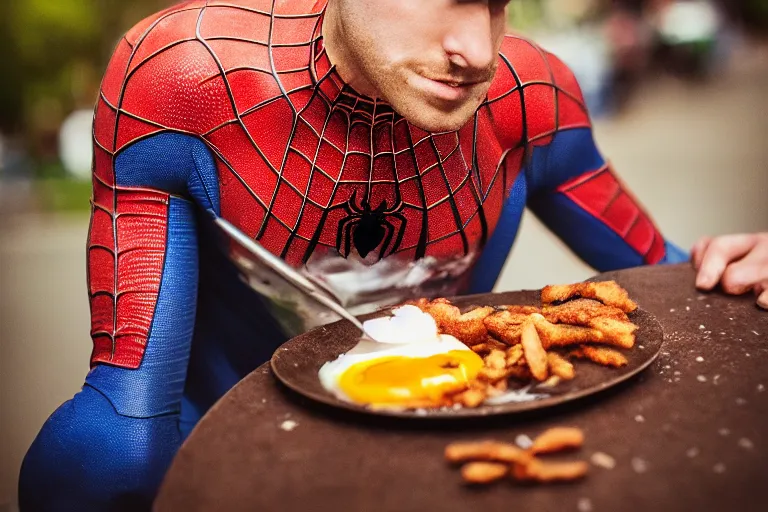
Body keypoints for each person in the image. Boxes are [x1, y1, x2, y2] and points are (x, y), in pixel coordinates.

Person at [19, 0, 767, 510]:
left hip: (443, 429)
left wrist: (741, 269)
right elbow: (127, 409)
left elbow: (673, 280)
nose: (477, 49)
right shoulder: (185, 76)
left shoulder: (530, 92)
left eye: (498, 2)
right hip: (231, 438)